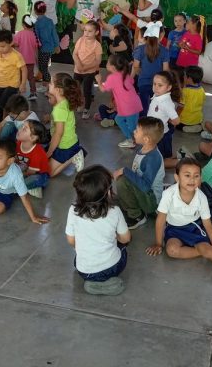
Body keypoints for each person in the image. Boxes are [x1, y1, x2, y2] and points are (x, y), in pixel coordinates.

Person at [146, 157, 212, 293]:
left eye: (196, 176)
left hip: (194, 227)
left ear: (201, 178)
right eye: (187, 175)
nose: (192, 179)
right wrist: (158, 243)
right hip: (174, 230)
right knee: (171, 251)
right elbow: (161, 220)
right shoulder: (169, 194)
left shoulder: (201, 197)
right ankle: (208, 252)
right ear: (177, 177)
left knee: (204, 246)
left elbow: (207, 223)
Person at [66, 165, 131, 296]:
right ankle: (106, 284)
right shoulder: (115, 211)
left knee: (79, 257)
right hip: (112, 268)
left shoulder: (73, 210)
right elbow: (126, 238)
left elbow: (71, 241)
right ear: (108, 193)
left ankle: (92, 282)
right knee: (124, 247)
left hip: (84, 270)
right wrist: (116, 237)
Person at [0, 140, 49, 224]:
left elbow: (24, 197)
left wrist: (33, 217)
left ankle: (31, 187)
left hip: (6, 193)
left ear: (10, 161)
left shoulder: (15, 174)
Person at [113, 116, 165, 229]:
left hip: (152, 202)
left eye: (137, 130)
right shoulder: (144, 149)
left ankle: (137, 216)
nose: (134, 132)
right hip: (144, 195)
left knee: (122, 181)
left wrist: (124, 171)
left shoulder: (152, 158)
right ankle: (130, 205)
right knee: (122, 182)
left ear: (146, 139)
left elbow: (146, 186)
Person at [100, 54, 143, 149]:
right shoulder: (124, 75)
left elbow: (103, 89)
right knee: (119, 119)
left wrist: (98, 81)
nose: (106, 64)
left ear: (113, 67)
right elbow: (131, 81)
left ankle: (134, 140)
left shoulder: (112, 77)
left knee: (132, 127)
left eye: (108, 63)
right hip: (133, 104)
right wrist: (133, 69)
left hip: (129, 107)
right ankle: (131, 139)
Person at [47, 73, 86, 177]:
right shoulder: (65, 101)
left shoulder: (59, 109)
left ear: (58, 90)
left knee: (49, 173)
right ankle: (75, 152)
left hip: (65, 146)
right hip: (71, 141)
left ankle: (73, 156)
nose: (48, 84)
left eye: (51, 83)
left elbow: (58, 133)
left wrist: (50, 151)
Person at [132, 23, 170, 114]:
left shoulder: (139, 49)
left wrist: (141, 73)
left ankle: (143, 121)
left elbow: (135, 66)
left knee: (144, 106)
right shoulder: (165, 51)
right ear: (160, 36)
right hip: (159, 84)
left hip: (143, 82)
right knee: (157, 107)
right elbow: (166, 71)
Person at [147, 71, 181, 168]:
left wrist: (169, 121)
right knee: (164, 156)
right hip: (156, 133)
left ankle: (184, 161)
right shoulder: (157, 96)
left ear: (168, 87)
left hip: (161, 136)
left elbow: (177, 121)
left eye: (160, 85)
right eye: (154, 84)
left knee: (159, 162)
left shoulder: (166, 103)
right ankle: (177, 157)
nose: (156, 87)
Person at [72, 20, 102, 120]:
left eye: (90, 31)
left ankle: (86, 109)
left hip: (89, 72)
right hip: (77, 71)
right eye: (85, 30)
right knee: (75, 89)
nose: (86, 33)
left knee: (87, 91)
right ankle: (79, 104)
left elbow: (98, 61)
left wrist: (84, 68)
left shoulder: (97, 45)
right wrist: (78, 65)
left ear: (96, 32)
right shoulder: (80, 40)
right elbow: (74, 54)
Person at [15, 120, 50, 199]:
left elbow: (31, 172)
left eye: (24, 129)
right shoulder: (19, 143)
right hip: (25, 168)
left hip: (39, 175)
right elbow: (16, 157)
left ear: (33, 138)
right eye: (21, 127)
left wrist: (16, 176)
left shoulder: (38, 152)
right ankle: (27, 188)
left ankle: (32, 188)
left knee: (35, 179)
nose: (19, 129)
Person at [33, 1, 59, 91]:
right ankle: (45, 85)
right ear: (45, 10)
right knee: (44, 66)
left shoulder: (36, 23)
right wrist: (57, 45)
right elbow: (54, 34)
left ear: (35, 11)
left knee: (43, 67)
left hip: (43, 48)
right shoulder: (50, 21)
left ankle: (47, 85)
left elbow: (36, 37)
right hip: (50, 48)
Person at [13, 15, 39, 100]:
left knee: (20, 76)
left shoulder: (19, 34)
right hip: (31, 60)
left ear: (23, 25)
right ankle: (33, 93)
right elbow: (36, 46)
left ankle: (19, 93)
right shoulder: (34, 35)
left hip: (20, 60)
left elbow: (15, 44)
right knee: (31, 77)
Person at [177, 65, 204, 133]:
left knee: (175, 124)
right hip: (198, 119)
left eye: (184, 76)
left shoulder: (185, 91)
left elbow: (181, 107)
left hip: (185, 120)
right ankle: (197, 125)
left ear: (189, 79)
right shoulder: (202, 89)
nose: (183, 77)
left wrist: (176, 116)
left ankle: (186, 128)